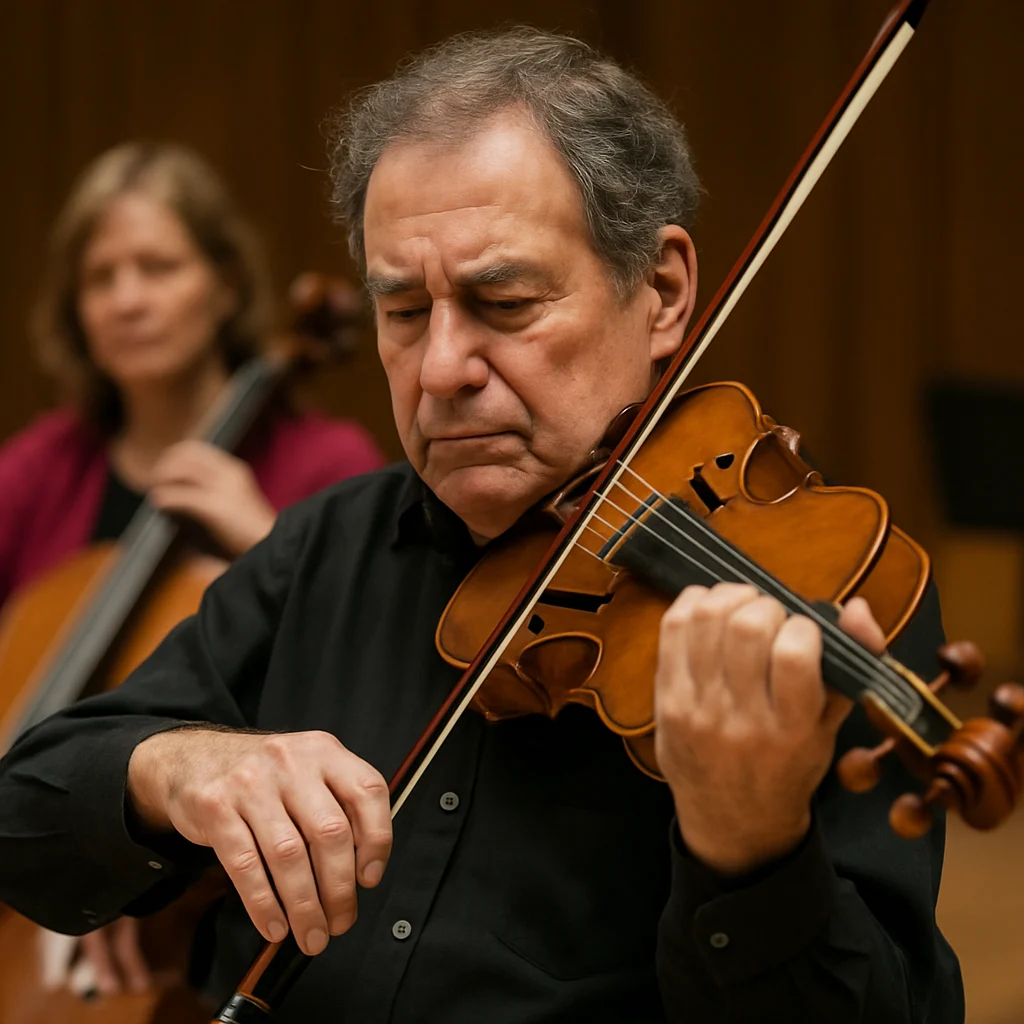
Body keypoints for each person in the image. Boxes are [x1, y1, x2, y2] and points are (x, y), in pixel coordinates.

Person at [0, 29, 962, 1024]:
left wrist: (750, 845)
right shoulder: (326, 546)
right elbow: (27, 810)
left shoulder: (821, 595)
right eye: (404, 312)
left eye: (503, 301)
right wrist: (177, 769)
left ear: (664, 293)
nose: (441, 369)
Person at [0, 140, 385, 994]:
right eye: (101, 278)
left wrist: (266, 538)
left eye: (158, 267)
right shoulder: (39, 470)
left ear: (224, 285)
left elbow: (378, 668)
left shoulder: (326, 466)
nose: (128, 299)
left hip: (211, 894)